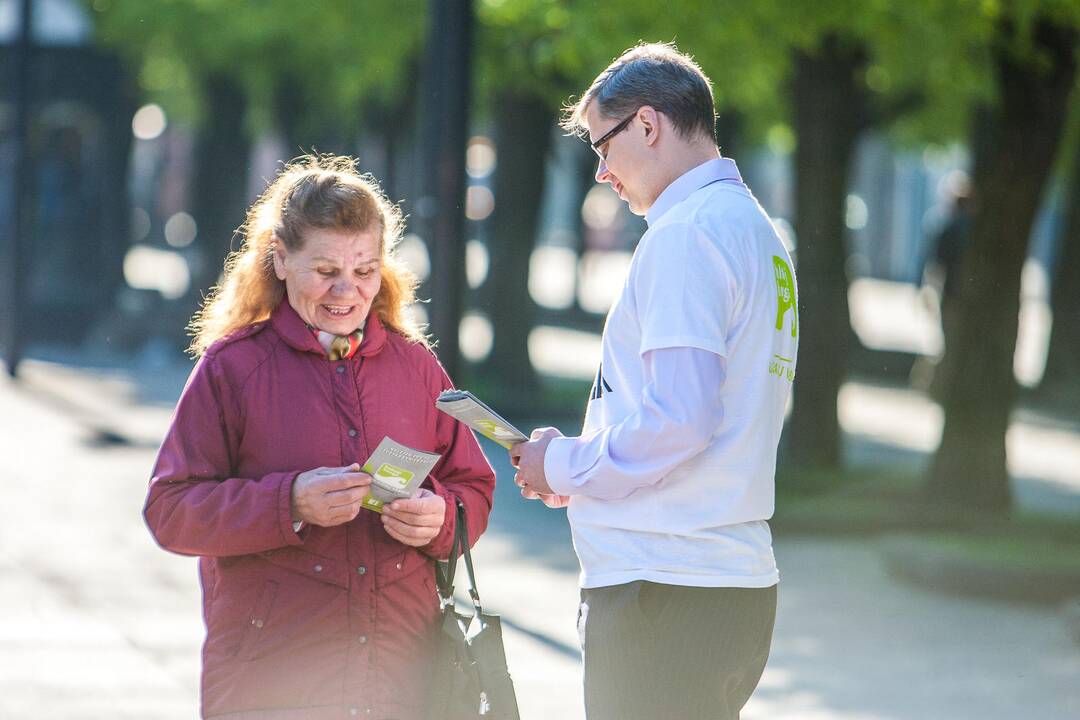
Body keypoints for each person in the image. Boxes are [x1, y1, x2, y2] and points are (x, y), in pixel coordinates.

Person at [144, 155, 495, 720]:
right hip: (274, 680)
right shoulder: (232, 368)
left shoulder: (418, 368)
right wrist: (288, 502)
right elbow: (169, 509)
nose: (346, 292)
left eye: (364, 271)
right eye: (325, 270)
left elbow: (473, 487)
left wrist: (443, 518)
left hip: (401, 681)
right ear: (280, 259)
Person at [510, 43, 798, 720]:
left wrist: (564, 462)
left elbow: (680, 421)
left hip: (665, 585)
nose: (602, 172)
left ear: (648, 125)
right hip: (726, 581)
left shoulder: (687, 235)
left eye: (603, 146)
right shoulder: (756, 232)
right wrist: (577, 472)